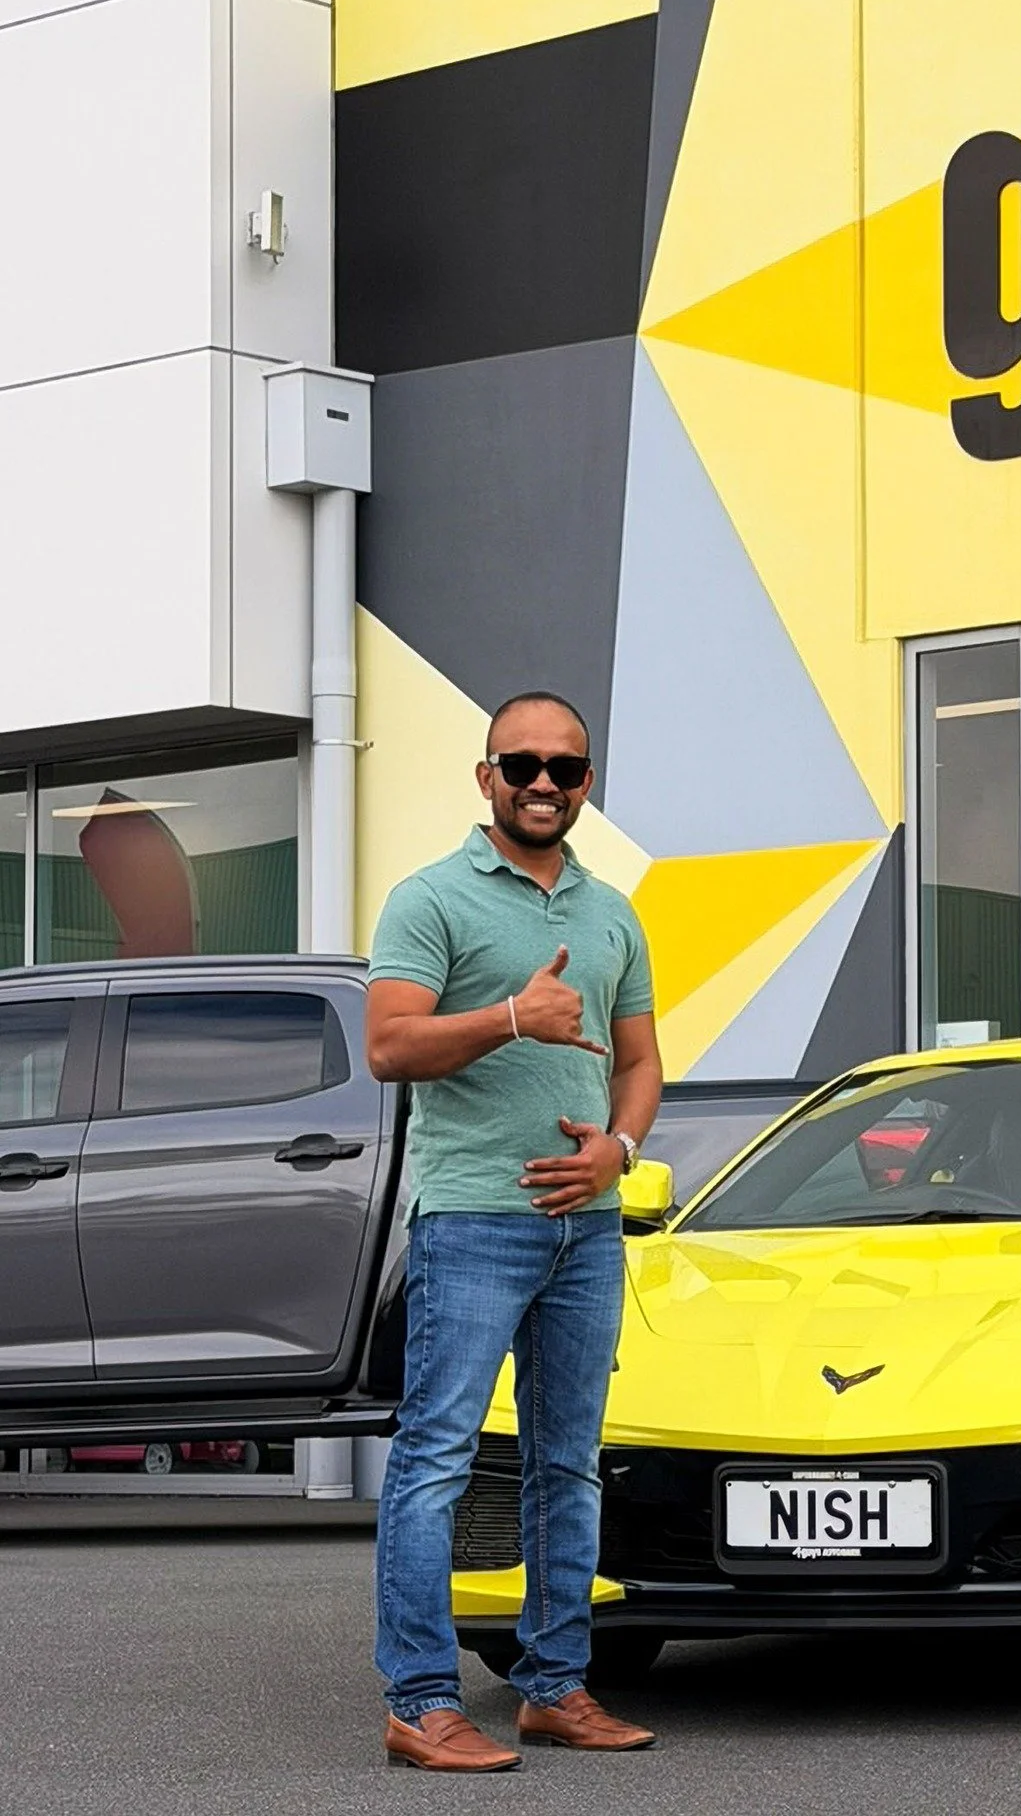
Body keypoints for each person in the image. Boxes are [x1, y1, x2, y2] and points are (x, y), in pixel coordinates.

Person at [365, 691, 664, 1771]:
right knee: (436, 1458)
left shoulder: (612, 911)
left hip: (586, 1228)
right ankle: (421, 1699)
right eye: (523, 763)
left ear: (586, 782)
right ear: (485, 773)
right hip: (472, 1220)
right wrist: (508, 1016)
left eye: (567, 769)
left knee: (566, 1462)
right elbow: (389, 1046)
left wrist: (616, 1153)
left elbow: (638, 1063)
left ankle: (552, 1684)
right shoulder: (428, 898)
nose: (545, 782)